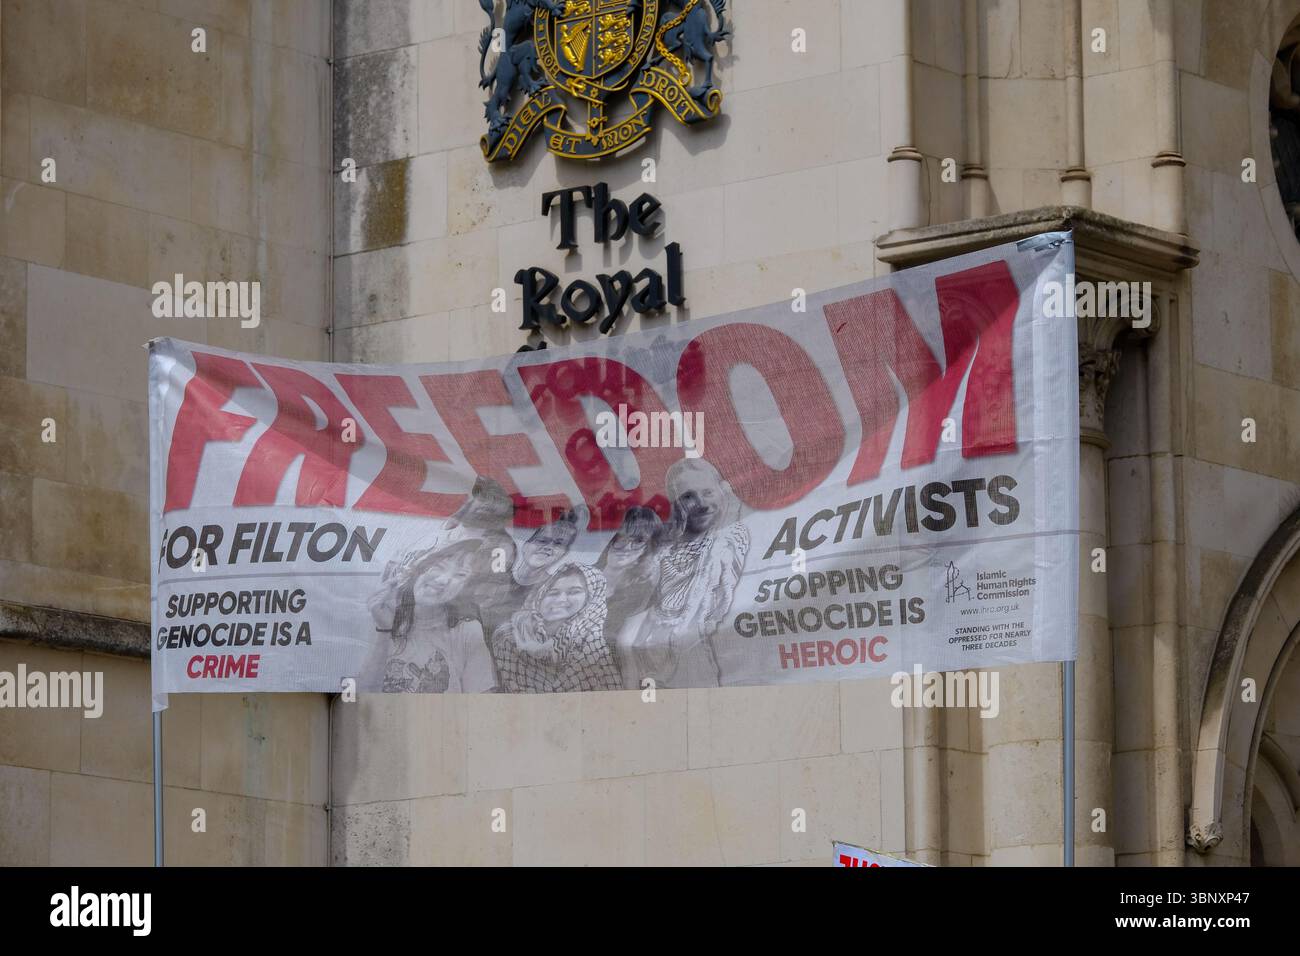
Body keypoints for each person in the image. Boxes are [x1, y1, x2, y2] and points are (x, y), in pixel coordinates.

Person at [621, 458, 750, 689]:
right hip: (646, 653)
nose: (700, 503)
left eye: (708, 492)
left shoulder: (730, 537)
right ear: (675, 502)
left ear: (723, 491)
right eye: (688, 497)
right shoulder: (662, 545)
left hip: (694, 655)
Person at [364, 539, 497, 693]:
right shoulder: (377, 612)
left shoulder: (468, 630)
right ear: (418, 568)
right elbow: (360, 695)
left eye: (460, 575)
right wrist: (384, 630)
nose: (443, 580)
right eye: (438, 566)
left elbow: (480, 700)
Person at [490, 562, 622, 693]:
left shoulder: (593, 644)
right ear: (541, 596)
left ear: (591, 599)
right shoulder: (511, 634)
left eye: (574, 592)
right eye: (553, 593)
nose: (560, 599)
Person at [477, 506, 585, 639]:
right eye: (542, 540)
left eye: (558, 544)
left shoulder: (554, 590)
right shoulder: (498, 573)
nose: (548, 547)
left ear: (564, 554)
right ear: (526, 543)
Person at [596, 506, 664, 687]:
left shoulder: (642, 591)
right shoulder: (581, 577)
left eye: (638, 541)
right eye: (621, 537)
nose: (627, 547)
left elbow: (625, 648)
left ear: (647, 549)